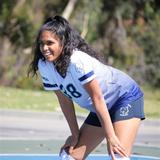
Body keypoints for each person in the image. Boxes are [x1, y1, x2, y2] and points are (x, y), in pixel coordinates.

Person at [28, 15, 145, 160]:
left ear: (62, 43)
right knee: (68, 156)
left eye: (50, 43)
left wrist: (111, 136)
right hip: (100, 108)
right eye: (41, 43)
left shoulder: (77, 61)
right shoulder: (45, 65)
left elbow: (97, 98)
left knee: (117, 156)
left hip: (125, 98)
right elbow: (64, 101)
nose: (44, 48)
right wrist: (75, 134)